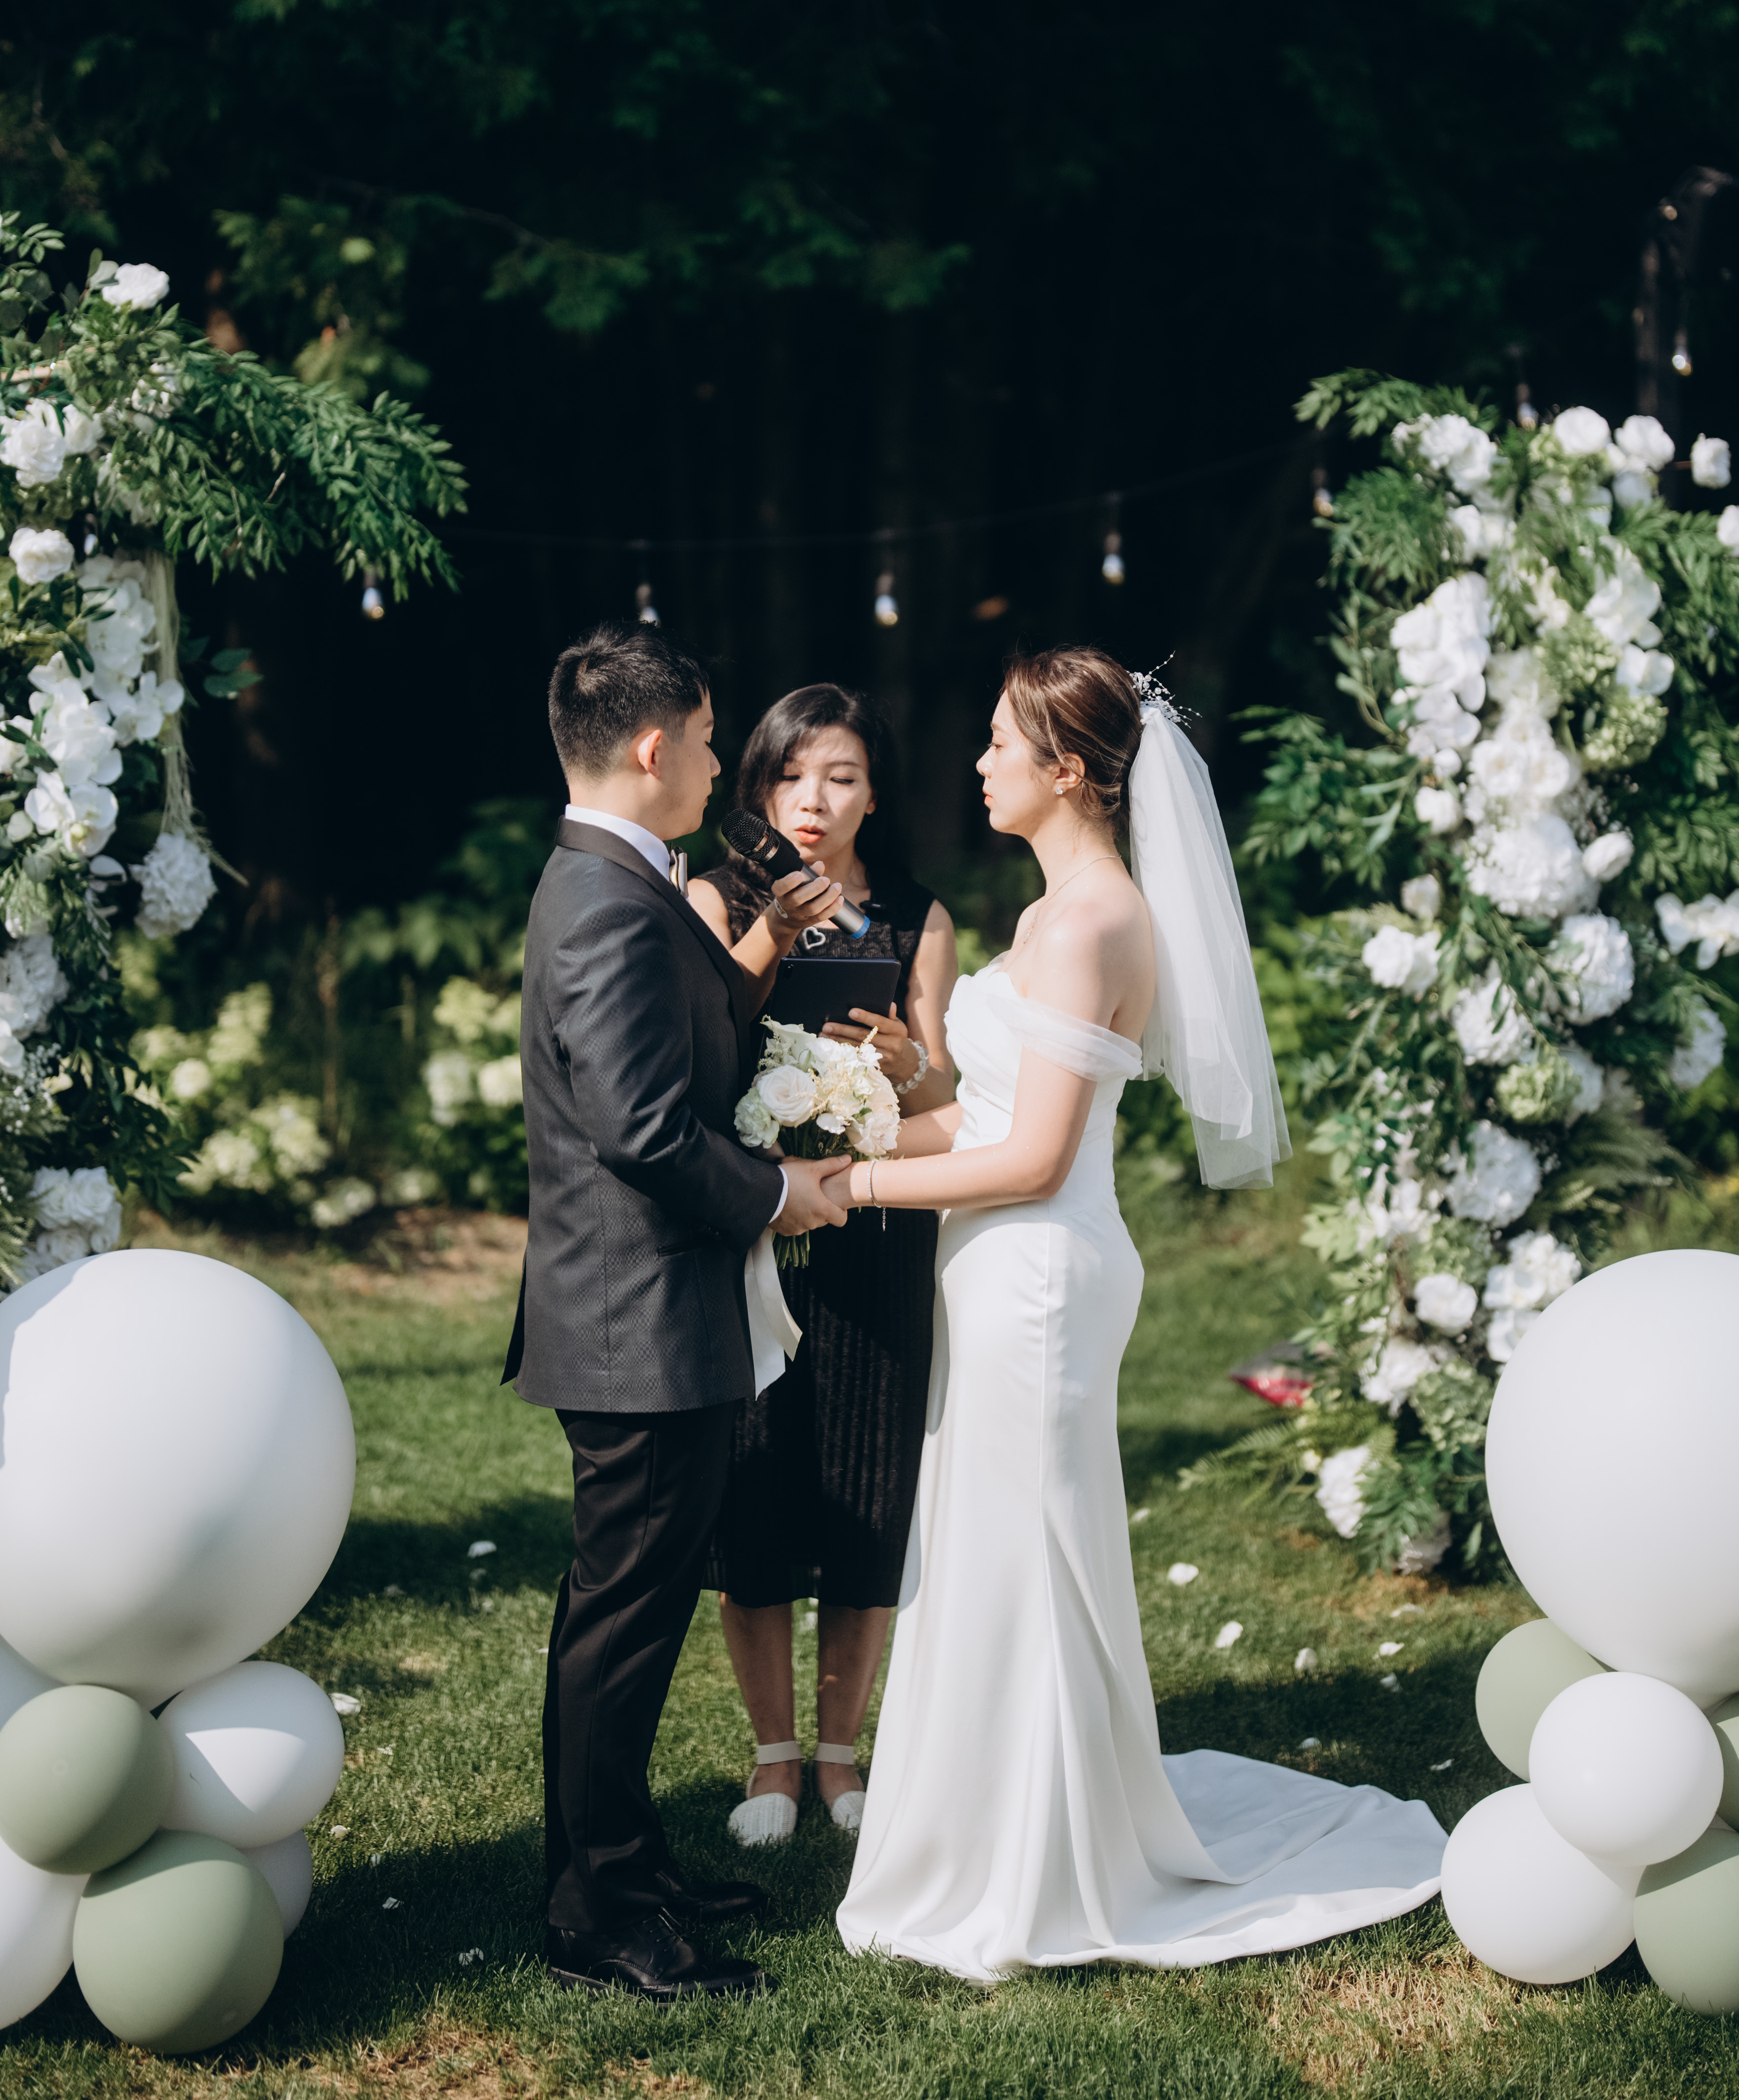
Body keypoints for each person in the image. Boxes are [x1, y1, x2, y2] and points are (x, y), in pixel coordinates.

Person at [833, 647, 1446, 1980]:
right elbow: (981, 1114)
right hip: (1001, 1266)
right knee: (996, 1542)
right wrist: (839, 1132)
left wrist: (850, 1189)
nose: (978, 762)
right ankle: (998, 1823)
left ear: (1067, 770)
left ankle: (1041, 1858)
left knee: (1031, 1554)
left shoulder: (1091, 921)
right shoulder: (1053, 910)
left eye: (1000, 743)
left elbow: (1032, 1158)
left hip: (1041, 1276)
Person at [504, 621, 852, 2002]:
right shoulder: (602, 899)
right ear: (653, 748)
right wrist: (781, 1193)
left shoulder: (622, 878)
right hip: (633, 1327)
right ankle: (597, 1912)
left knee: (625, 1619)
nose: (719, 767)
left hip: (648, 1317)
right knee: (621, 1627)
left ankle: (626, 1861)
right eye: (708, 742)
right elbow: (642, 1129)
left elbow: (687, 1044)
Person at [690, 686, 959, 1842]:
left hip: (875, 1229)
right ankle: (772, 1758)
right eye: (793, 775)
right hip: (750, 1224)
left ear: (873, 797)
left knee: (866, 1483)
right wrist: (773, 939)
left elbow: (947, 1090)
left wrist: (905, 1061)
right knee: (751, 1488)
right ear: (758, 786)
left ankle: (842, 1757)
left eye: (841, 777)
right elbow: (695, 1043)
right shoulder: (714, 898)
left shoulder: (915, 918)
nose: (814, 799)